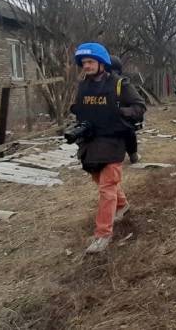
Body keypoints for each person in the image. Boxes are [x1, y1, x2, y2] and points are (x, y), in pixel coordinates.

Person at [70, 42, 146, 254]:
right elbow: (79, 107)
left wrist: (122, 112)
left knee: (107, 187)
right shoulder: (83, 85)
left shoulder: (120, 84)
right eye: (84, 62)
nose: (86, 66)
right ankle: (122, 205)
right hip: (91, 140)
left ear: (101, 62)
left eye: (90, 61)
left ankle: (103, 235)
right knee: (100, 180)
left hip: (113, 141)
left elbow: (140, 107)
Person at [109, 56, 142, 164]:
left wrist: (120, 111)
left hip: (120, 121)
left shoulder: (122, 84)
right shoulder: (92, 84)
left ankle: (133, 155)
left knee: (128, 131)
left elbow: (139, 106)